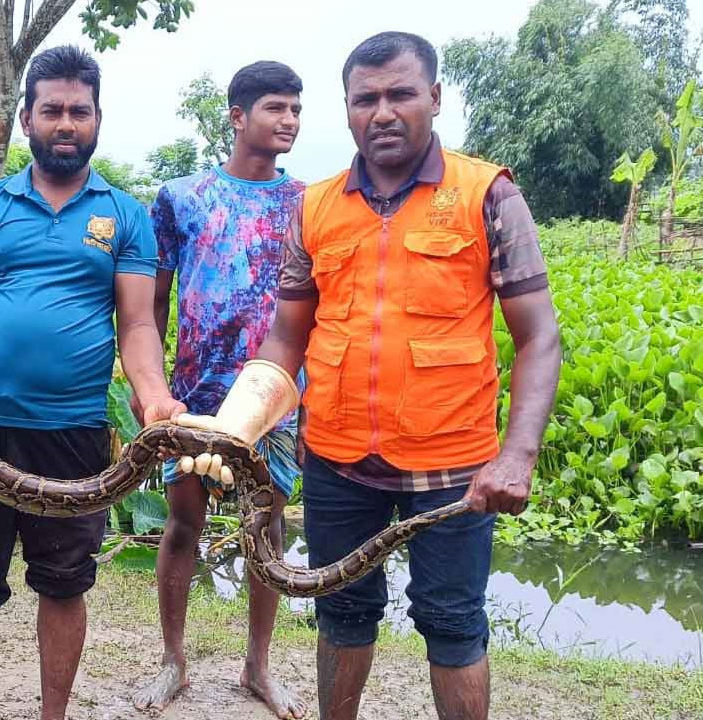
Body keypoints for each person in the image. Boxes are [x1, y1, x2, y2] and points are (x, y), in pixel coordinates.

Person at [174, 32, 561, 720]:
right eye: (366, 99)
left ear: (434, 99)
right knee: (343, 615)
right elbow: (286, 338)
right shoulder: (315, 207)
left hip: (452, 467)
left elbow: (539, 338)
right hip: (338, 459)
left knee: (452, 624)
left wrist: (518, 454)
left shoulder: (487, 194)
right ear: (348, 110)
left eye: (400, 94)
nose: (383, 112)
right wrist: (234, 429)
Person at [0, 45, 185, 720]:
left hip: (73, 434)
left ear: (96, 119)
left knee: (64, 586)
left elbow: (139, 326)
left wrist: (153, 395)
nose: (66, 123)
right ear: (27, 115)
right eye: (52, 110)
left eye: (79, 112)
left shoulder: (124, 214)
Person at [136, 61, 308, 718]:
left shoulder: (306, 203)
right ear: (237, 117)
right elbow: (153, 302)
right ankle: (172, 660)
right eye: (274, 108)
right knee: (183, 524)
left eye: (295, 109)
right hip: (194, 396)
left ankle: (257, 667)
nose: (288, 120)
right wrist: (147, 383)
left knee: (266, 527)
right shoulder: (180, 196)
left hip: (277, 398)